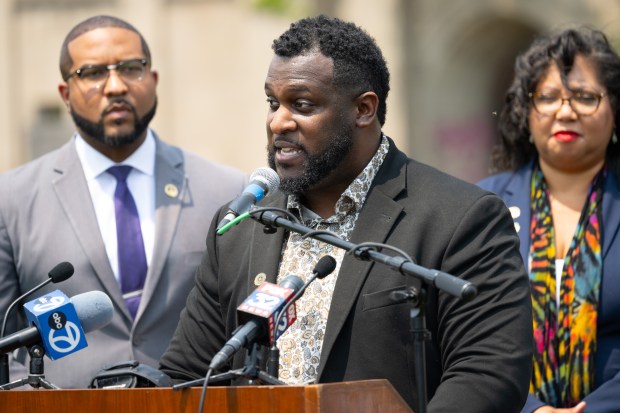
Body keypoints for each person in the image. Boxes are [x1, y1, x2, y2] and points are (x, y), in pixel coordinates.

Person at [160, 15, 533, 412]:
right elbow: (187, 375)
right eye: (273, 102)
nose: (278, 121)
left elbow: (488, 373)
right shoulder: (239, 226)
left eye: (302, 105)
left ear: (363, 109)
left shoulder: (459, 217)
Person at [0, 15, 247, 388]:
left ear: (154, 80)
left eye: (131, 68)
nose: (115, 86)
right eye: (93, 72)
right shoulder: (11, 199)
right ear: (65, 95)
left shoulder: (225, 189)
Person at [478, 27, 620, 413]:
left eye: (586, 98)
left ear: (615, 109)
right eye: (548, 97)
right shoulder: (481, 206)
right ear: (527, 112)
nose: (565, 110)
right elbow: (466, 335)